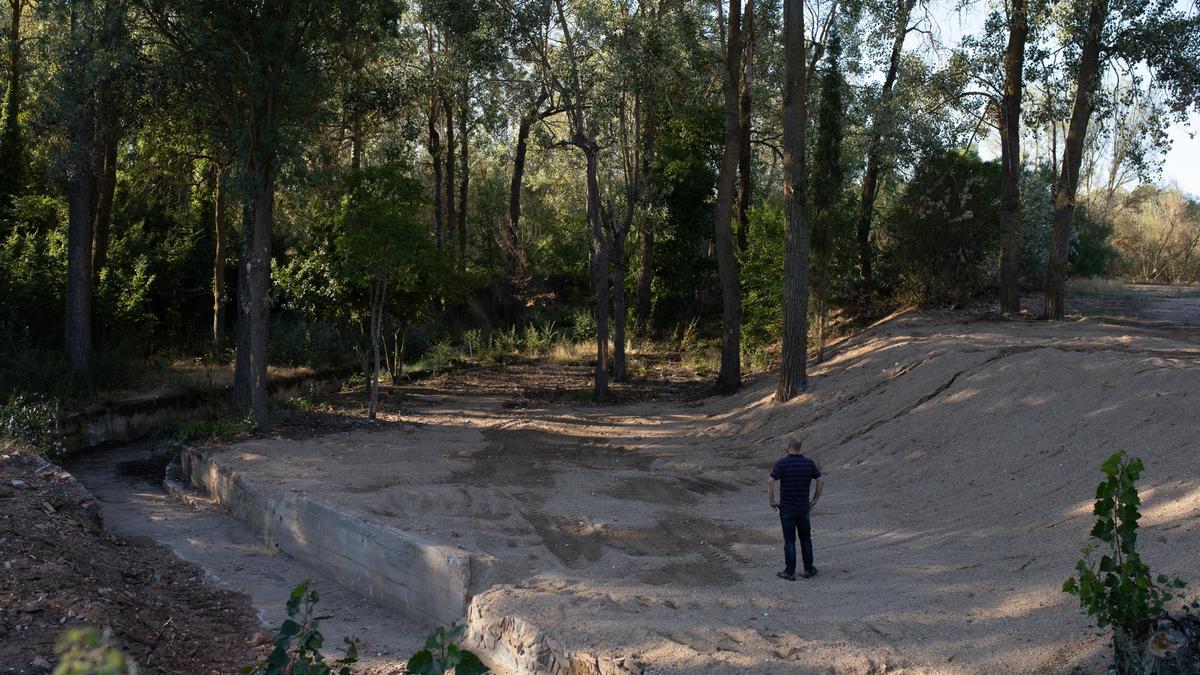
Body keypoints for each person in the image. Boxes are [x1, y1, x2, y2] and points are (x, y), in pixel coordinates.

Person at [768, 437, 823, 581]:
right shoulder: (809, 463)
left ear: (789, 446)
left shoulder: (782, 463)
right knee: (805, 539)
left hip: (787, 508)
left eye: (785, 443)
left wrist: (771, 501)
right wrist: (815, 499)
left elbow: (770, 482)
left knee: (789, 540)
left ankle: (789, 572)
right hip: (803, 507)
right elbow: (820, 480)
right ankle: (809, 569)